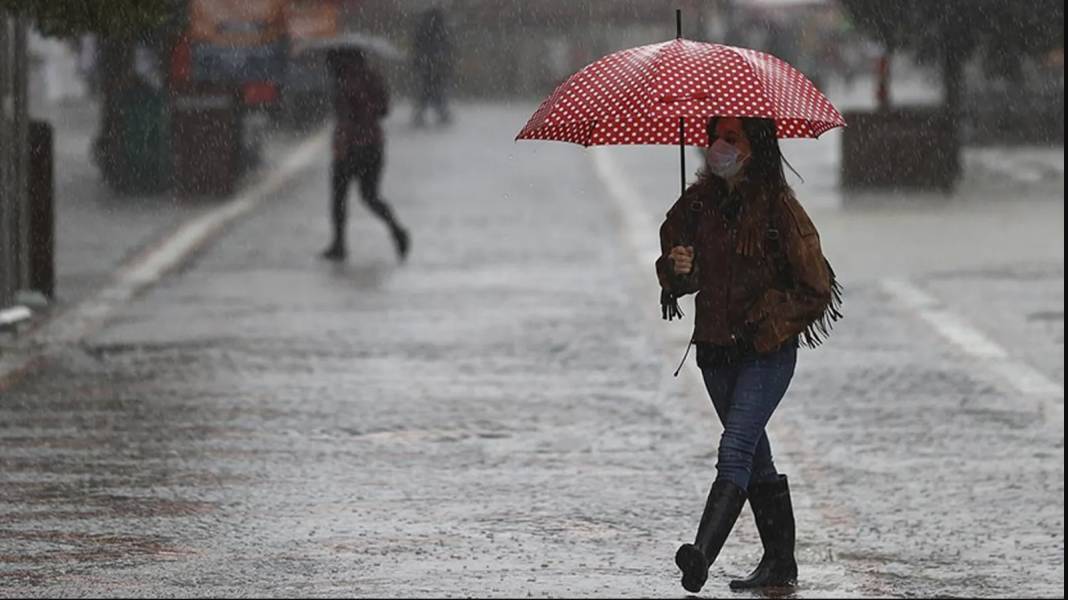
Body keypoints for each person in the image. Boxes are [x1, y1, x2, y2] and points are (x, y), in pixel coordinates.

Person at [658, 116, 842, 593]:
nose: (718, 146)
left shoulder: (781, 209)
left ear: (755, 148)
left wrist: (769, 318)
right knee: (754, 456)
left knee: (736, 447)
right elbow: (682, 276)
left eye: (731, 138)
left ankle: (700, 555)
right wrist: (678, 269)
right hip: (715, 355)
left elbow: (816, 287)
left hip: (765, 354)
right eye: (714, 136)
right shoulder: (696, 207)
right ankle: (780, 563)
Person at [322, 48, 409, 262]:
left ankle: (339, 244)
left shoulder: (342, 81)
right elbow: (384, 110)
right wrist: (368, 111)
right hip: (374, 146)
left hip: (349, 146)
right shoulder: (374, 77)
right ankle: (396, 229)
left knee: (339, 197)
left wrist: (345, 138)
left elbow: (343, 116)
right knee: (370, 196)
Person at [410, 7, 453, 127]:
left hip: (426, 67)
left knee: (425, 92)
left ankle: (421, 114)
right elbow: (447, 47)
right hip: (436, 67)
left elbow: (416, 47)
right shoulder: (441, 30)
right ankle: (441, 113)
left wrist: (418, 62)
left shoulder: (423, 29)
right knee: (436, 92)